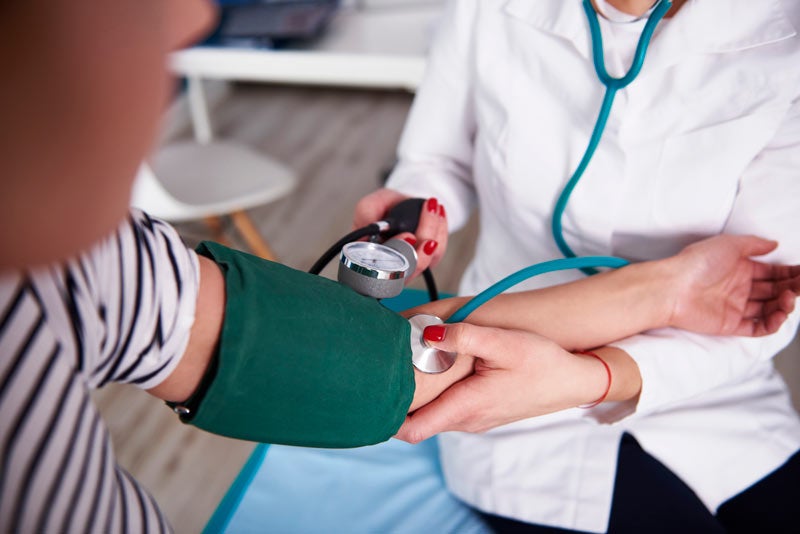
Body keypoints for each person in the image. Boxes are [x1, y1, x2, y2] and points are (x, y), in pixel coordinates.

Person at [1, 1, 797, 533]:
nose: (195, 17)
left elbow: (759, 308)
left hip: (702, 393)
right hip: (513, 410)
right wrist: (665, 287)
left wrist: (608, 360)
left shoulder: (97, 269)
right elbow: (376, 357)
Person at [353, 0, 800, 532]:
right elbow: (435, 160)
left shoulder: (783, 32)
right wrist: (418, 212)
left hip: (702, 378)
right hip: (501, 383)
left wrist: (594, 375)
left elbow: (768, 296)